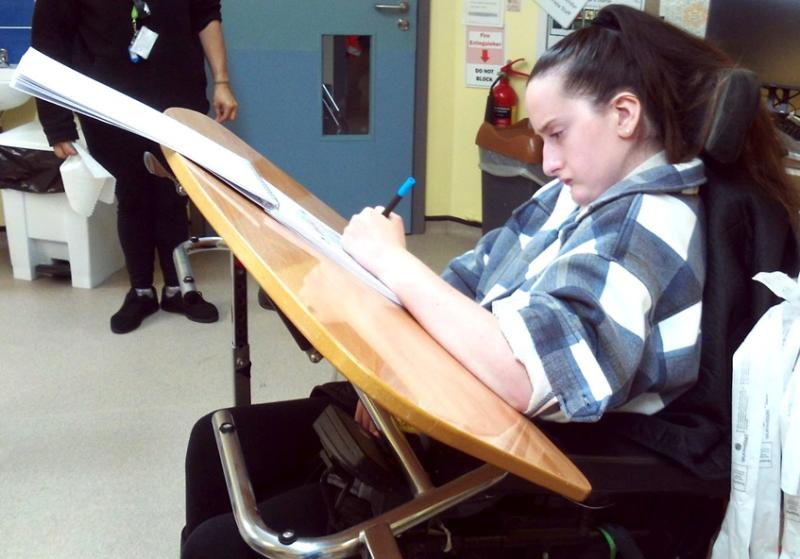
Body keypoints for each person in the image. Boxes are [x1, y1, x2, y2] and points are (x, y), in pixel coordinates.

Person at [179, 5, 800, 557]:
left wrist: (395, 263)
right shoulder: (576, 194)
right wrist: (392, 373)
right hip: (459, 412)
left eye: (557, 134)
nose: (547, 160)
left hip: (534, 461)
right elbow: (468, 280)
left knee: (220, 544)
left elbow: (528, 377)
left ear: (625, 114)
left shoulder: (648, 223)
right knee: (214, 441)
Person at [31, 0, 239, 334]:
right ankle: (141, 291)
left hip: (178, 100)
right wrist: (56, 125)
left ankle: (179, 288)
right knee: (133, 195)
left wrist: (222, 81)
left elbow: (206, 15)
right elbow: (49, 43)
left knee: (174, 194)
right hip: (107, 105)